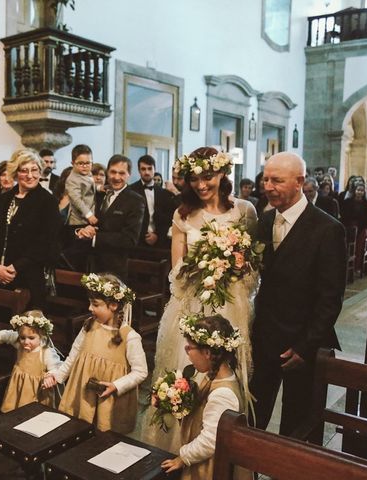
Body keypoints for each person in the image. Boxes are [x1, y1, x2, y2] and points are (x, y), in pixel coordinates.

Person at [140, 147, 257, 453]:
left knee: (225, 370)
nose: (201, 184)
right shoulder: (182, 214)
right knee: (187, 366)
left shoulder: (244, 211)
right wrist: (202, 265)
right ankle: (181, 442)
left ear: (222, 174)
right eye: (194, 179)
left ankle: (221, 440)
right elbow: (176, 269)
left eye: (208, 177)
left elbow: (253, 265)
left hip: (230, 301)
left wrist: (234, 265)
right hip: (193, 300)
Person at [250, 152, 346, 436]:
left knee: (299, 428)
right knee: (252, 420)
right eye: (265, 179)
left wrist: (305, 346)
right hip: (265, 338)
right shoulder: (264, 223)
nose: (268, 186)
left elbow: (331, 298)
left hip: (303, 345)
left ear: (300, 182)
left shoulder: (328, 229)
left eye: (277, 180)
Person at [46, 273, 147, 433]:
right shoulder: (88, 325)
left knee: (103, 435)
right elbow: (74, 354)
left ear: (113, 305)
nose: (89, 308)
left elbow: (141, 372)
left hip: (109, 399)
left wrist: (116, 385)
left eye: (95, 304)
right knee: (78, 428)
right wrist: (58, 376)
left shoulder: (130, 337)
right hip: (83, 393)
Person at [161, 315, 250, 480]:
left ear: (207, 352)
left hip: (210, 469)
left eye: (189, 348)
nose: (187, 353)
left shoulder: (222, 394)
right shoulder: (216, 374)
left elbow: (210, 441)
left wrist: (183, 457)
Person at [0, 148, 62, 308]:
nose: (30, 176)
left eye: (34, 170)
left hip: (28, 278)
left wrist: (14, 268)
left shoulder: (48, 201)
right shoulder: (2, 200)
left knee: (23, 331)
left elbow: (46, 243)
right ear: (15, 173)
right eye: (24, 171)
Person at [0, 310, 61, 412]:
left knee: (32, 413)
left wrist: (50, 376)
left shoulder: (46, 352)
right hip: (18, 385)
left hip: (36, 391)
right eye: (22, 338)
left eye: (31, 338)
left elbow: (56, 367)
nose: (26, 342)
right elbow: (5, 335)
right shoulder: (19, 343)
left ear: (42, 336)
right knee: (14, 409)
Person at [76, 155, 144, 279]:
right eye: (113, 172)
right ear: (107, 172)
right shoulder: (98, 194)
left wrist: (95, 238)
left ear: (129, 174)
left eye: (122, 173)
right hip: (87, 265)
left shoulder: (135, 200)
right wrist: (82, 231)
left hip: (114, 269)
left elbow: (130, 239)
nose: (116, 177)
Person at [130, 155, 176, 249]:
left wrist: (157, 235)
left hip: (159, 243)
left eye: (150, 169)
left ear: (154, 169)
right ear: (139, 171)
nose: (147, 172)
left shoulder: (164, 193)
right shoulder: (130, 191)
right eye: (143, 169)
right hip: (136, 243)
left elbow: (167, 219)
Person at [64, 144, 97, 265]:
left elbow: (89, 187)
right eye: (80, 163)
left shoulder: (87, 174)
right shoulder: (72, 179)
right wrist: (89, 215)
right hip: (78, 222)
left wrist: (99, 188)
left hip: (88, 220)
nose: (85, 166)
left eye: (88, 163)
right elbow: (77, 200)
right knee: (79, 256)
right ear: (72, 163)